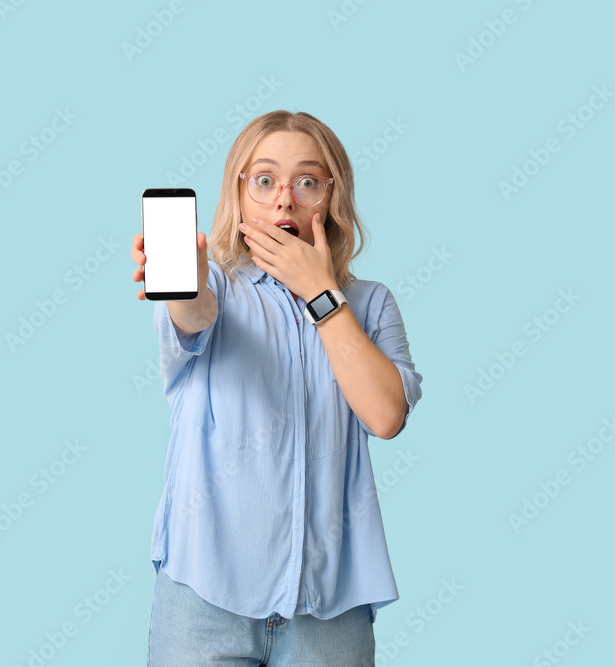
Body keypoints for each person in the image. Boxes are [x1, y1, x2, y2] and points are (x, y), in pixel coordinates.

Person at [131, 110, 423, 666]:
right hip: (203, 600)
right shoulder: (216, 286)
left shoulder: (370, 304)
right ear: (239, 196)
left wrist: (320, 292)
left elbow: (386, 415)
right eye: (264, 181)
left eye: (307, 181)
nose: (284, 200)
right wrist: (184, 281)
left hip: (330, 610)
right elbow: (193, 313)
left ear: (331, 197)